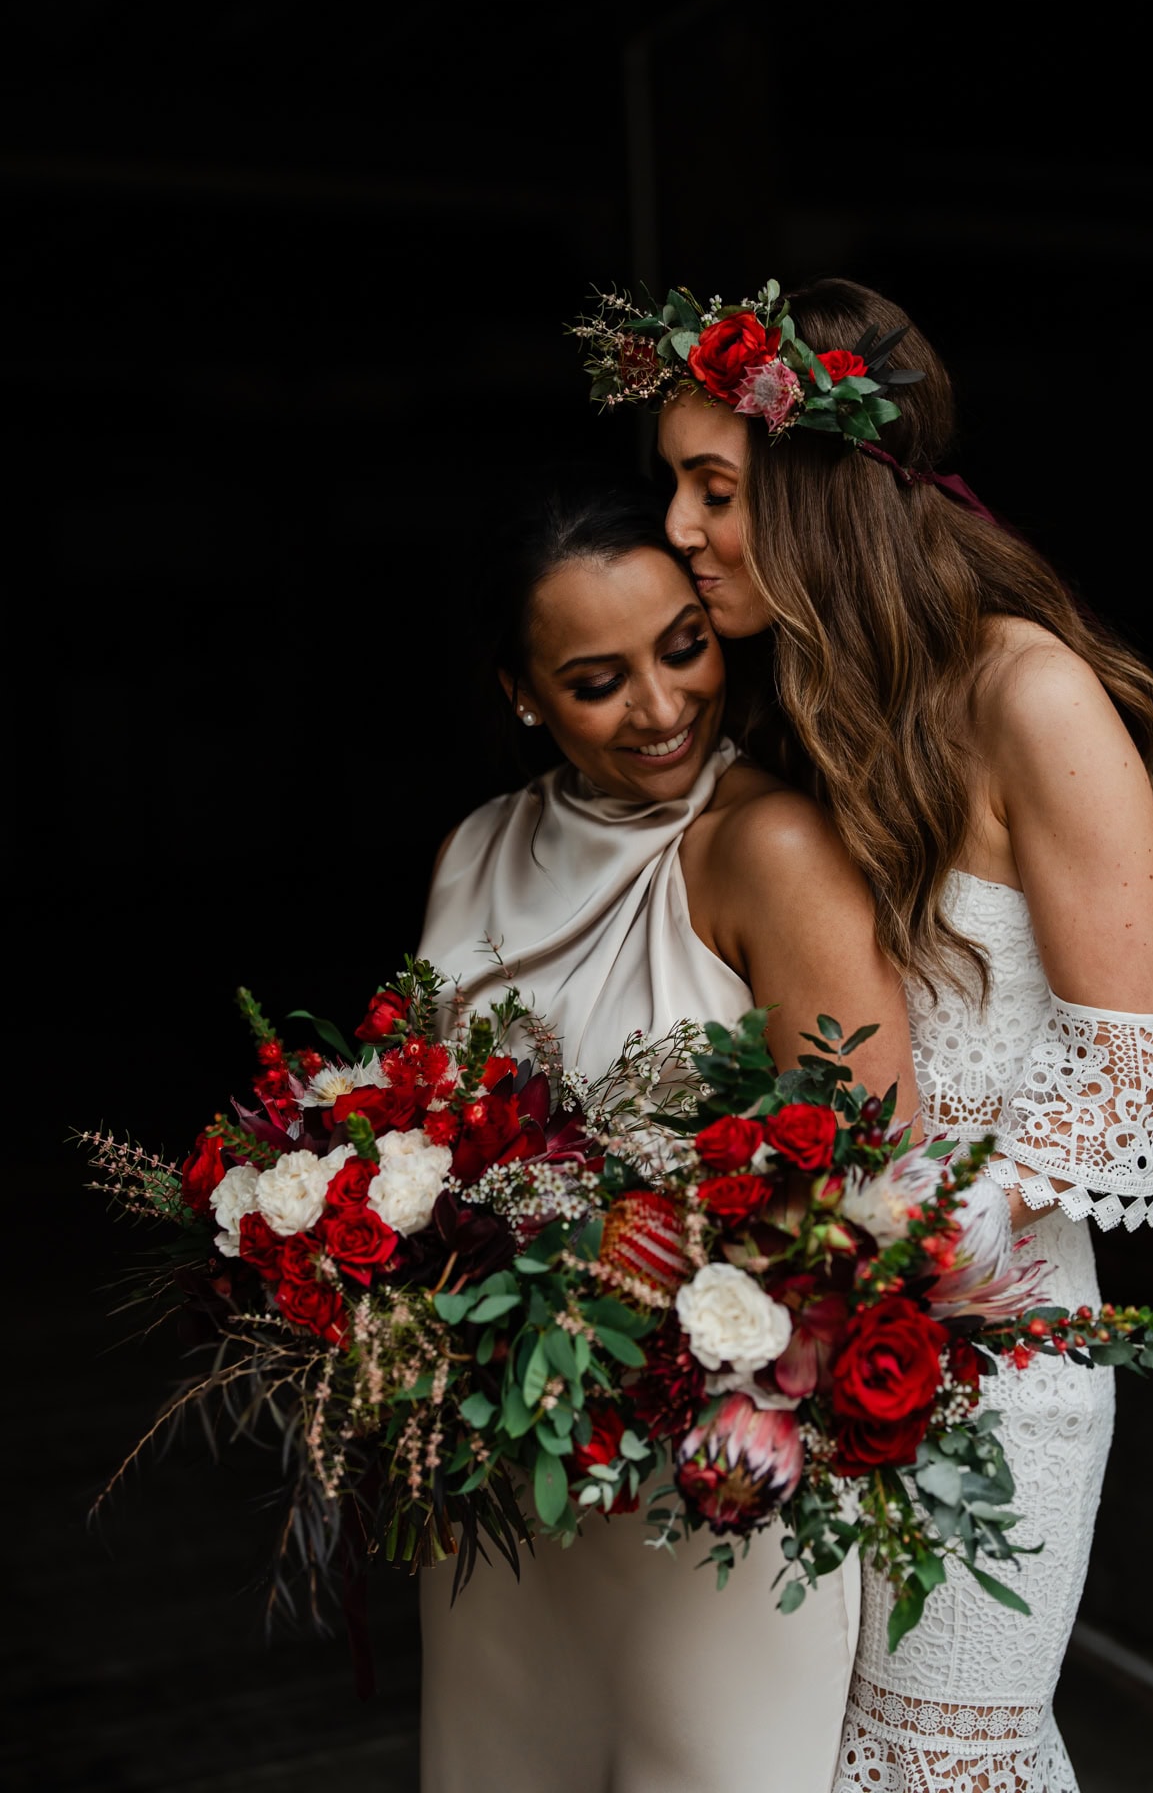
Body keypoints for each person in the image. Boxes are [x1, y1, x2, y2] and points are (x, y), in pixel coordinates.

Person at [639, 274, 1153, 1792]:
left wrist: (902, 1235)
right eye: (674, 489)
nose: (681, 532)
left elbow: (1131, 1084)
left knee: (938, 1762)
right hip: (810, 1361)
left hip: (998, 1368)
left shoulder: (1032, 695)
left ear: (823, 491)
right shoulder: (810, 707)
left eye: (715, 489)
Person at [416, 475, 921, 1793]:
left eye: (681, 649)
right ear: (523, 694)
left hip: (712, 1482)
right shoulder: (477, 850)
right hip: (510, 1479)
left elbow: (875, 1181)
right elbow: (422, 1121)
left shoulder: (770, 846)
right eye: (597, 681)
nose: (660, 707)